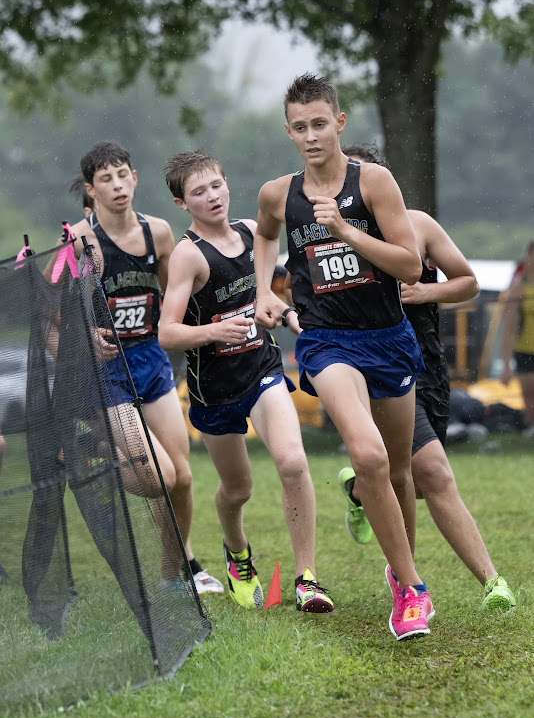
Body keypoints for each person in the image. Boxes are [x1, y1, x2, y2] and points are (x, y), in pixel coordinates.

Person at [254, 73, 431, 640]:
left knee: (399, 470)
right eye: (299, 127)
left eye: (319, 124)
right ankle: (411, 592)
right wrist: (263, 288)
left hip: (387, 337)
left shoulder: (374, 182)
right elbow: (263, 235)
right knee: (369, 457)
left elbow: (410, 265)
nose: (310, 136)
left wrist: (348, 232)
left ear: (340, 123)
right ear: (289, 131)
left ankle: (401, 568)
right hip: (326, 342)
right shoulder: (279, 193)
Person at [337, 144, 515, 612]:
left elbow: (468, 282)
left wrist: (423, 291)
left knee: (407, 476)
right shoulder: (331, 240)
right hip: (381, 368)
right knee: (432, 470)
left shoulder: (419, 226)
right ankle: (480, 582)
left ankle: (360, 488)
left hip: (429, 364)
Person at [158, 150, 333, 613]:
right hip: (215, 389)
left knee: (293, 463)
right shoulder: (188, 257)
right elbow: (167, 331)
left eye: (216, 185)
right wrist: (215, 330)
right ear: (182, 203)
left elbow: (273, 290)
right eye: (198, 192)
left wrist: (287, 311)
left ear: (225, 182)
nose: (211, 196)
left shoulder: (252, 233)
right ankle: (237, 555)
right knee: (238, 490)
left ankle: (307, 579)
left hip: (262, 369)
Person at [64, 143, 223, 595]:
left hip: (150, 360)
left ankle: (174, 579)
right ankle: (88, 463)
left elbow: (180, 295)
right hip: (104, 371)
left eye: (122, 175)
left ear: (135, 177)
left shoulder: (160, 233)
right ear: (91, 191)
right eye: (105, 180)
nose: (117, 186)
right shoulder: (79, 239)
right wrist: (85, 336)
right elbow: (53, 312)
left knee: (183, 478)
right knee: (158, 477)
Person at [500, 240, 534, 437]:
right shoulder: (520, 288)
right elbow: (508, 329)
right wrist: (505, 366)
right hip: (525, 349)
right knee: (529, 392)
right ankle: (531, 426)